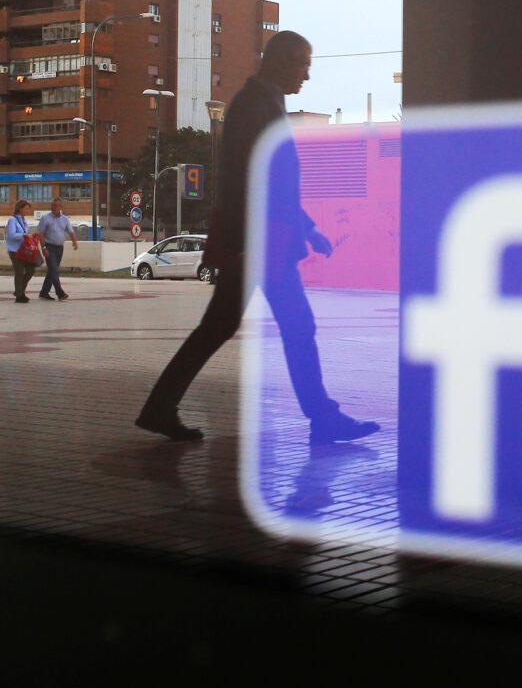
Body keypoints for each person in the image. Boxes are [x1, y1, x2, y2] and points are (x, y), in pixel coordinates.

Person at [136, 31, 379, 444]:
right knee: (294, 326)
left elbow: (272, 183)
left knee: (220, 327)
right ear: (280, 60)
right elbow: (251, 182)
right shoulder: (255, 107)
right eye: (303, 63)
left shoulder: (263, 104)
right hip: (260, 243)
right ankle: (322, 417)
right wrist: (250, 242)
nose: (307, 73)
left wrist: (307, 228)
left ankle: (160, 408)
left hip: (259, 240)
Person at [36, 197, 78, 300]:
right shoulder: (45, 218)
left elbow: (70, 231)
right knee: (54, 270)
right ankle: (60, 293)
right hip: (49, 247)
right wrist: (44, 247)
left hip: (60, 248)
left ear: (60, 207)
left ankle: (44, 292)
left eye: (56, 206)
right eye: (52, 205)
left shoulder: (65, 219)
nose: (53, 207)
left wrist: (74, 241)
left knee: (52, 271)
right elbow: (40, 234)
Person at [6, 199, 38, 303]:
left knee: (31, 270)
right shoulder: (12, 220)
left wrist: (31, 236)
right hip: (15, 251)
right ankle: (19, 296)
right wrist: (23, 235)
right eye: (26, 208)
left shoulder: (24, 220)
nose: (28, 210)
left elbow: (26, 233)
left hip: (24, 251)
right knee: (19, 272)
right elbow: (11, 235)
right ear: (20, 209)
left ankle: (19, 291)